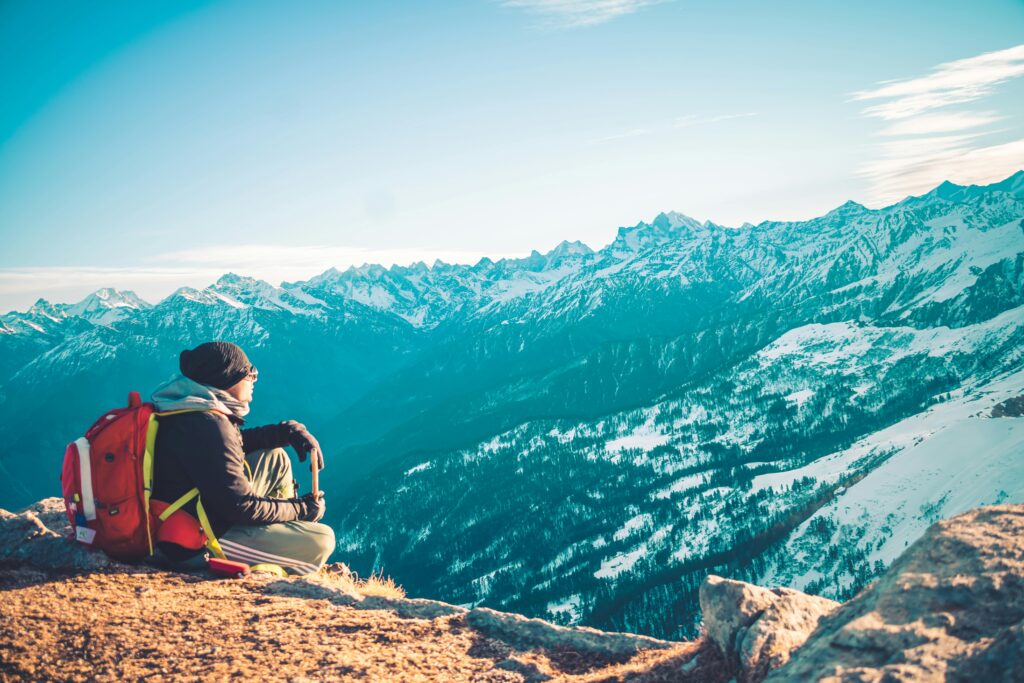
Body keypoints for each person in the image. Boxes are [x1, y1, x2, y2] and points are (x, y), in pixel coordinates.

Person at [149, 341, 334, 574]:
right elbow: (241, 507)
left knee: (275, 458)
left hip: (191, 512)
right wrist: (301, 509)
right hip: (197, 541)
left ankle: (281, 531)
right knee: (322, 540)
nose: (255, 380)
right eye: (250, 374)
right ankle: (284, 562)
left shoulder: (188, 409)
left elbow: (226, 448)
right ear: (228, 378)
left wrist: (286, 431)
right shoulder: (208, 425)